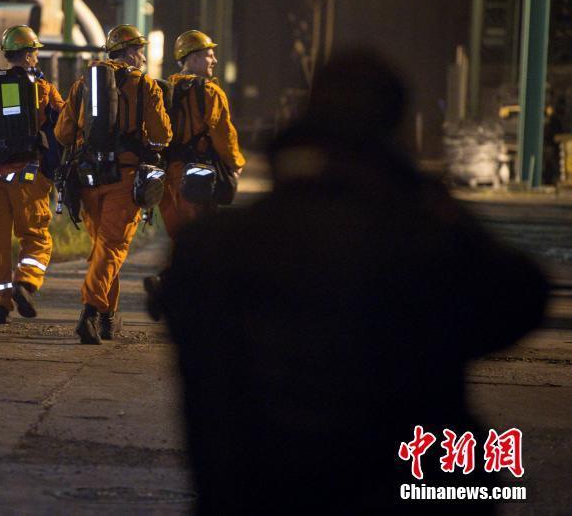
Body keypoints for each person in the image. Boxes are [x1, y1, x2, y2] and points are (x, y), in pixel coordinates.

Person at [150, 50, 548, 513]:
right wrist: (431, 200)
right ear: (394, 132)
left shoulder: (213, 248)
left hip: (257, 493)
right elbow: (521, 299)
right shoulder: (423, 241)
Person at [56, 24, 172, 344]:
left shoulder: (83, 84)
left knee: (104, 250)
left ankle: (107, 318)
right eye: (140, 50)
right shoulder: (144, 85)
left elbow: (62, 135)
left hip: (87, 177)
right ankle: (90, 311)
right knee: (112, 247)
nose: (144, 56)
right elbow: (162, 135)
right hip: (124, 177)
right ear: (131, 52)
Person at [0, 25, 65, 324]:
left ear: (6, 54)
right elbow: (64, 126)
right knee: (35, 236)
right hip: (26, 175)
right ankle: (26, 283)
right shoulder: (41, 89)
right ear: (30, 54)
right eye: (35, 52)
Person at [158, 29, 245, 240]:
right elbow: (224, 134)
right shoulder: (210, 92)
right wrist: (236, 164)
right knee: (197, 235)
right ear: (194, 57)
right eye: (209, 55)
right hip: (198, 175)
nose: (214, 60)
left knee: (176, 234)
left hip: (167, 175)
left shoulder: (163, 89)